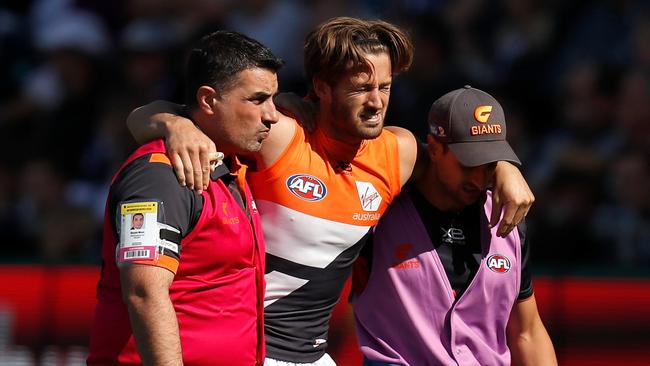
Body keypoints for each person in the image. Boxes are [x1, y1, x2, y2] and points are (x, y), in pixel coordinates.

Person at [127, 17, 534, 365]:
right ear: (321, 87)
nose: (377, 102)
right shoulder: (280, 135)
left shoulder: (400, 152)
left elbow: (457, 156)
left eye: (385, 87)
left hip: (314, 354)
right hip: (244, 349)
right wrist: (173, 123)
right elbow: (153, 119)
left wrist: (504, 166)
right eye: (361, 87)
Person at [87, 30, 283, 365]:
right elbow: (144, 292)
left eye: (273, 99)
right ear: (208, 100)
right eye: (257, 99)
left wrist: (168, 119)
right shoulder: (160, 175)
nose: (272, 115)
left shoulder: (232, 163)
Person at [352, 86, 557, 366]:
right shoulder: (380, 207)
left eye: (489, 164)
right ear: (434, 148)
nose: (478, 177)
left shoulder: (508, 220)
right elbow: (367, 145)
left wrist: (507, 166)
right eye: (468, 163)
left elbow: (527, 333)